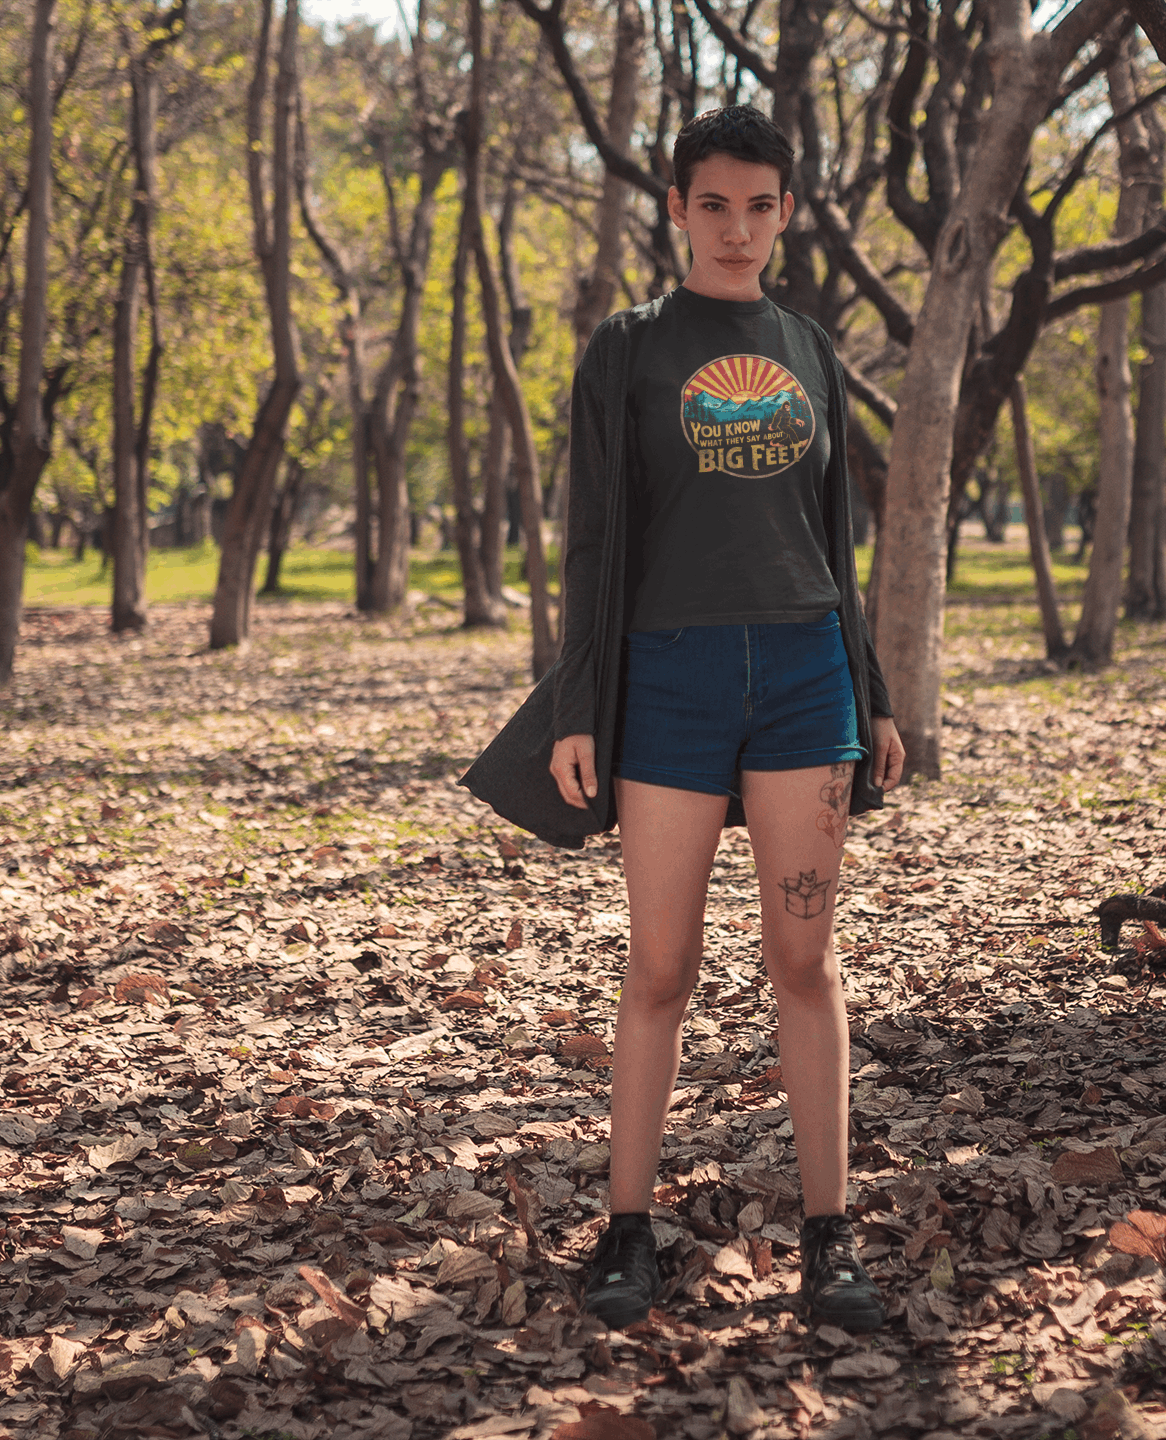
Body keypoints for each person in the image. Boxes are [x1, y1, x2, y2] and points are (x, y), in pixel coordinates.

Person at [462, 104, 902, 1332]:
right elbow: (593, 539)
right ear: (677, 209)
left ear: (787, 212)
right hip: (667, 679)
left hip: (807, 674)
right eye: (715, 205)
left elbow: (836, 540)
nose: (738, 229)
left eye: (760, 206)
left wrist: (871, 689)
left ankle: (830, 1238)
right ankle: (626, 1231)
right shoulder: (628, 349)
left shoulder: (809, 348)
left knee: (804, 963)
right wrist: (578, 701)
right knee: (662, 969)